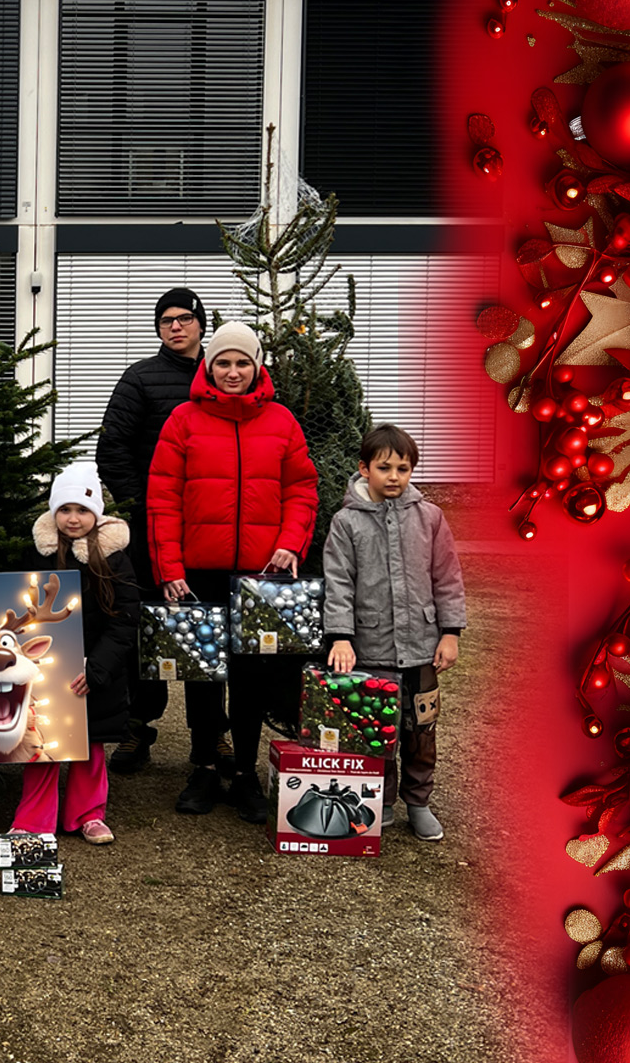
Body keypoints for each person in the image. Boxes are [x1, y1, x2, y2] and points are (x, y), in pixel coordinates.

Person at [146, 322, 319, 824]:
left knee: (251, 678)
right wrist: (170, 567)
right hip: (198, 572)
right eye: (223, 362)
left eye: (242, 362)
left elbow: (302, 491)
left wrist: (290, 544)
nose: (233, 371)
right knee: (203, 677)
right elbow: (163, 499)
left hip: (262, 576)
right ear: (209, 366)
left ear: (257, 365)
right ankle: (202, 766)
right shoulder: (183, 420)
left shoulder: (283, 421)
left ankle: (243, 771)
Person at [322, 424, 466, 842]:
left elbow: (447, 577)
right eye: (384, 467)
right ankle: (378, 798)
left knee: (421, 730)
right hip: (371, 648)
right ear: (364, 469)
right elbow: (339, 583)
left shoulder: (430, 518)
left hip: (421, 648)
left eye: (403, 468)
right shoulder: (346, 523)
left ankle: (418, 802)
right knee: (374, 727)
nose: (394, 477)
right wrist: (342, 637)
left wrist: (450, 632)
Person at [94, 287, 208, 774]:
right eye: (166, 321)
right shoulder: (140, 378)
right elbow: (112, 448)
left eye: (184, 319)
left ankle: (212, 735)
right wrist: (144, 507)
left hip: (207, 531)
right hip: (149, 528)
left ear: (202, 323)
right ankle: (137, 727)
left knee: (206, 629)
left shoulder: (225, 376)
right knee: (145, 628)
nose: (175, 327)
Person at [12, 461, 141, 845]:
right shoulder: (36, 554)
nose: (72, 519)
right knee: (40, 743)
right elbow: (19, 610)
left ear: (96, 514)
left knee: (90, 744)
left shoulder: (115, 558)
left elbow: (124, 621)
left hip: (96, 672)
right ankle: (34, 818)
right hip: (47, 671)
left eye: (82, 510)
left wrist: (97, 667)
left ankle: (89, 814)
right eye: (65, 509)